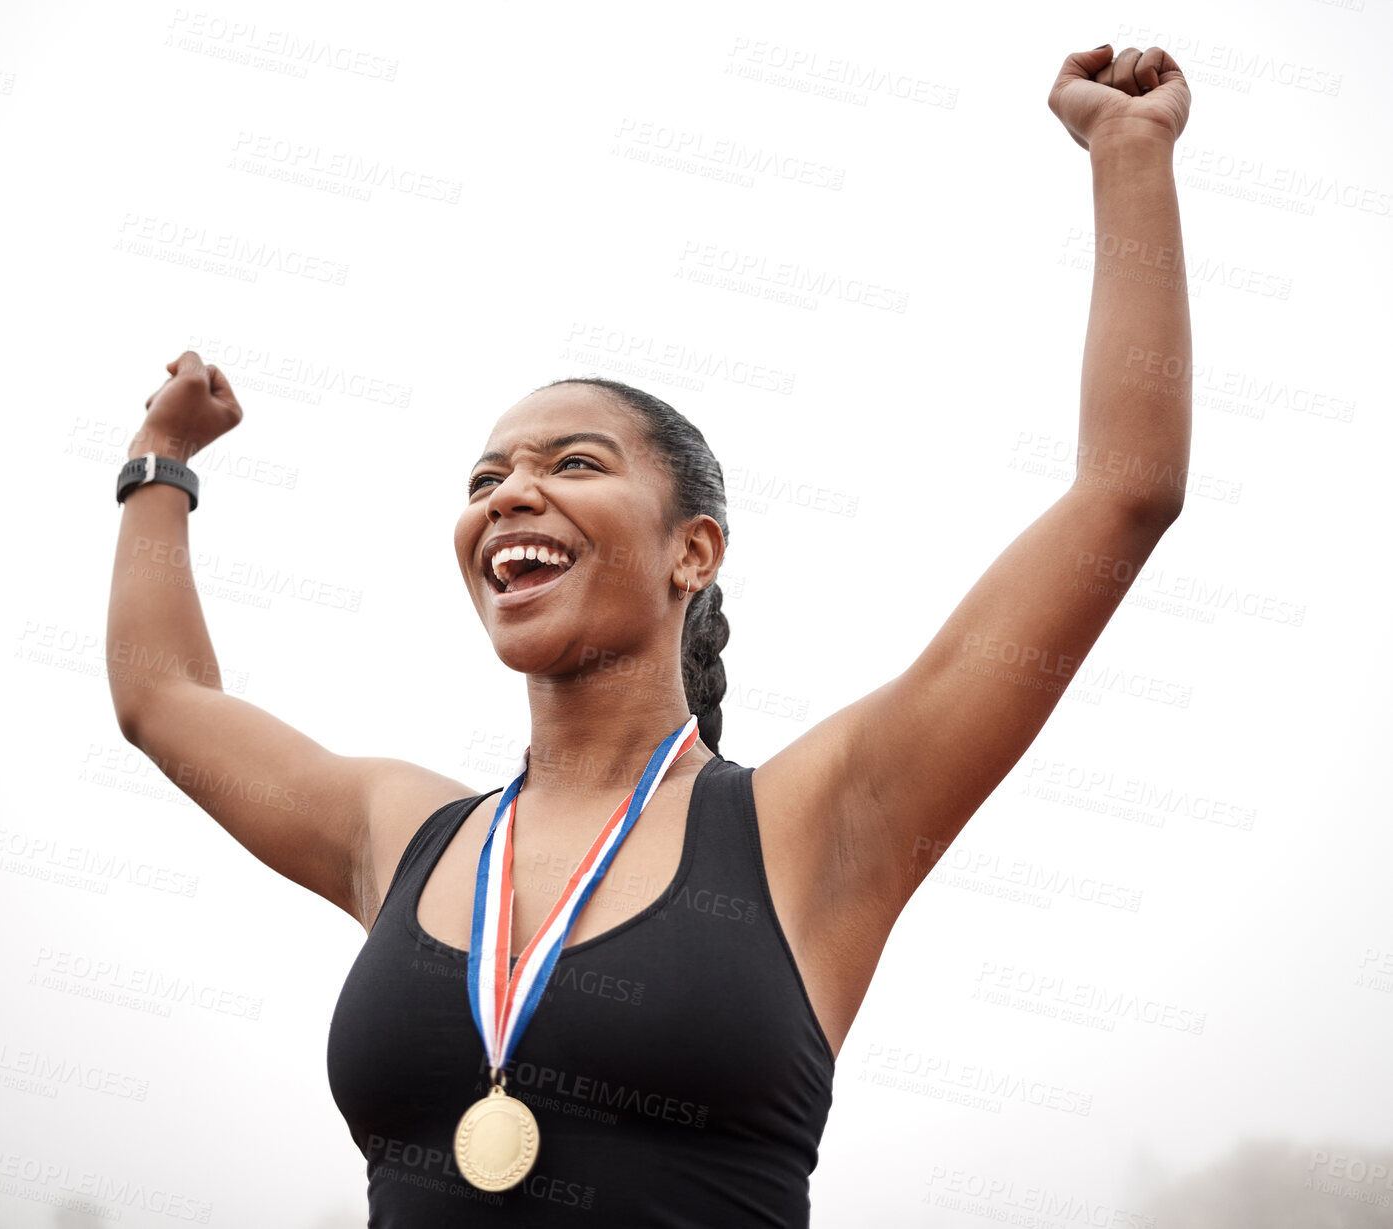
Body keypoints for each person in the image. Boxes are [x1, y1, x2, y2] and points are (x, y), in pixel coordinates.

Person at [107, 42, 1193, 1228]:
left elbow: (1121, 492)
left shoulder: (814, 821)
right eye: (486, 477)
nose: (507, 494)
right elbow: (162, 698)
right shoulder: (400, 833)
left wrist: (1127, 154)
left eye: (572, 463)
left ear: (694, 551)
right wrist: (159, 467)